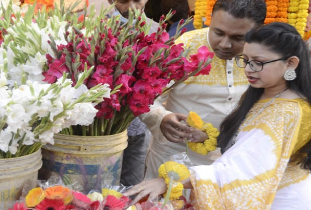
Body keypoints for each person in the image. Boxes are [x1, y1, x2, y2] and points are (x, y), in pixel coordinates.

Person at [125, 22, 311, 209]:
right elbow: (246, 144)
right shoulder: (264, 92)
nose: (248, 69)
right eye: (245, 60)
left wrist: (171, 181)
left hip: (281, 199)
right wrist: (207, 137)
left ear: (291, 63)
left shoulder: (288, 111)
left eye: (258, 62)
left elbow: (243, 170)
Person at [139, 0, 267, 179]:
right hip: (173, 158)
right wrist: (161, 117)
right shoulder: (183, 46)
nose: (225, 44)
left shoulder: (262, 56)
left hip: (230, 163)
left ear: (258, 31)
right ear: (210, 20)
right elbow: (145, 97)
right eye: (218, 32)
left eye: (238, 38)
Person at [107, 0, 158, 187]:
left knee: (132, 188)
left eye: (137, 0)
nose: (131, 7)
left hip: (139, 126)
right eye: (123, 1)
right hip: (105, 129)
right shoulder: (98, 27)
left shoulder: (156, 30)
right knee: (103, 188)